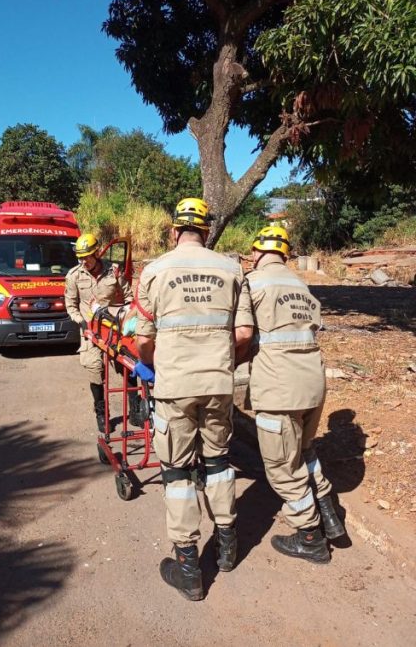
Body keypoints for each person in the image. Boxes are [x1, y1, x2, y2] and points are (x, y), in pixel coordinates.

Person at [134, 198, 255, 601]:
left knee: (178, 471)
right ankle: (227, 547)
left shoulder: (153, 272)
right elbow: (242, 336)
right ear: (206, 231)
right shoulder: (233, 269)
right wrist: (221, 364)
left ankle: (188, 567)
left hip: (175, 387)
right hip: (220, 384)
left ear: (174, 231)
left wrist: (156, 365)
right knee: (219, 463)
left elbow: (143, 340)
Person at [244, 225, 346, 562]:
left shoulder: (252, 284)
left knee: (282, 468)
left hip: (279, 390)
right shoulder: (302, 286)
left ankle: (310, 537)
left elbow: (242, 334)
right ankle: (330, 513)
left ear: (257, 252)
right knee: (303, 450)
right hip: (313, 385)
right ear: (285, 254)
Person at [64, 233, 136, 432]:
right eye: (80, 257)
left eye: (87, 256)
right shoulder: (73, 276)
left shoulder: (113, 272)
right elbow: (70, 306)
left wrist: (127, 317)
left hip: (114, 329)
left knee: (128, 366)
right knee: (94, 369)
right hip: (90, 331)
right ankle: (101, 414)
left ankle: (136, 408)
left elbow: (129, 297)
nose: (84, 261)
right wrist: (82, 323)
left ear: (96, 253)